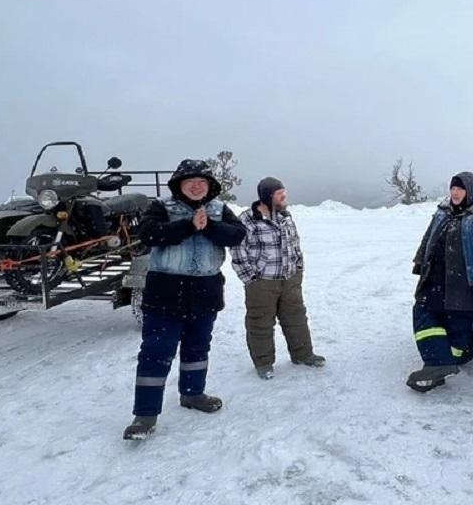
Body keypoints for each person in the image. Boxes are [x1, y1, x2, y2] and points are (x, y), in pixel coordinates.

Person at [123, 159, 247, 441]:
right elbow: (148, 234)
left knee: (197, 347)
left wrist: (209, 228)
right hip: (165, 292)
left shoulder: (218, 208)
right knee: (156, 352)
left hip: (205, 292)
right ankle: (145, 414)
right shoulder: (161, 207)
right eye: (190, 181)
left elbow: (238, 235)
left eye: (202, 181)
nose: (196, 185)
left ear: (210, 186)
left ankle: (193, 394)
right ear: (179, 185)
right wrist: (189, 226)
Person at [407, 172, 473, 392]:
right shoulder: (443, 212)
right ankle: (437, 363)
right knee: (423, 313)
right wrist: (420, 260)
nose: (455, 193)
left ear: (471, 191)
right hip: (435, 278)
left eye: (460, 189)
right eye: (453, 188)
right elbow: (429, 238)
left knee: (457, 333)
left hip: (467, 284)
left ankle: (454, 356)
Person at [232, 177, 325, 379]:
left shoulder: (285, 217)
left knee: (296, 317)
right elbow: (238, 251)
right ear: (267, 196)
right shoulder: (247, 220)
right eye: (279, 192)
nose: (284, 195)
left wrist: (298, 268)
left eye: (284, 191)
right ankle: (263, 363)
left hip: (290, 279)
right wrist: (251, 278)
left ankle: (303, 354)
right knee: (260, 323)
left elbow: (295, 244)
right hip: (262, 282)